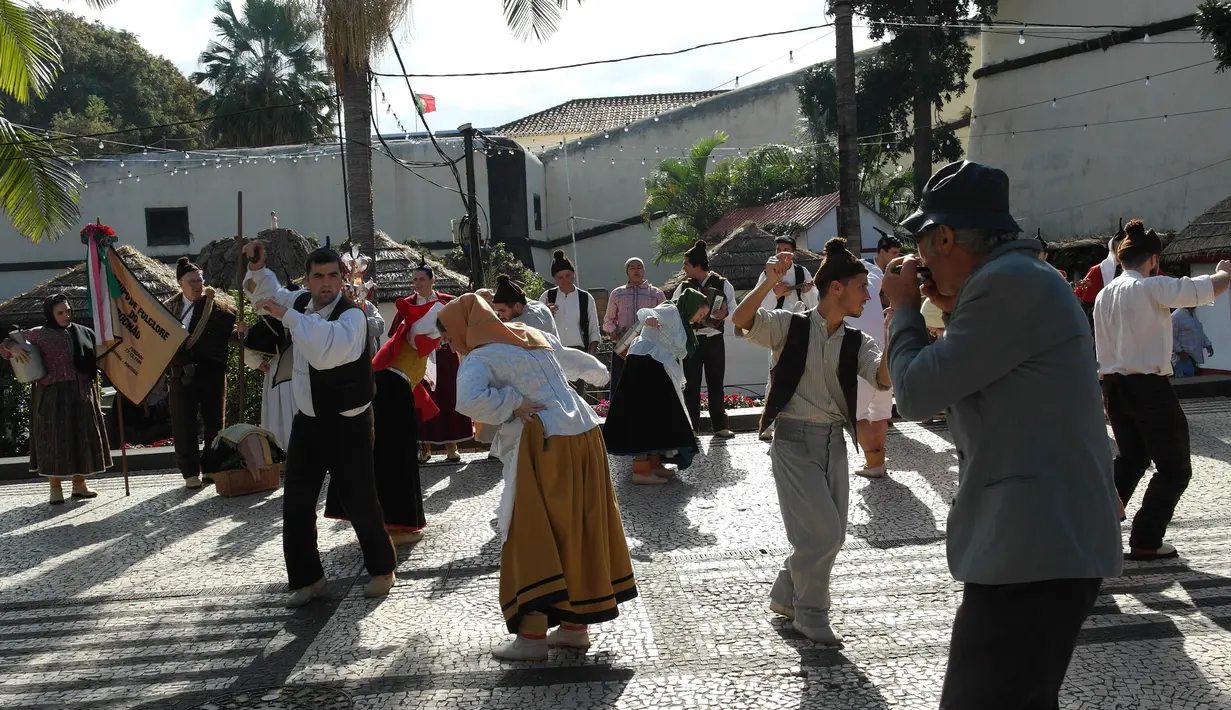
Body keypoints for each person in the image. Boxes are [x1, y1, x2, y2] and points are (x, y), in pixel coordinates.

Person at [880, 160, 1122, 709]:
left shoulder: (1005, 284)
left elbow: (916, 394)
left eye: (922, 247)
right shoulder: (1021, 278)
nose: (918, 263)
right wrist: (949, 305)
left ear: (944, 237)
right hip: (1041, 544)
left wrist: (901, 310)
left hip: (1032, 548)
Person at [442, 294, 637, 661]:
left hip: (546, 444)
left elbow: (466, 401)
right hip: (585, 435)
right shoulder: (529, 334)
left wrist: (512, 404)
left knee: (531, 531)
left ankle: (531, 637)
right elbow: (574, 362)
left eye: (449, 336)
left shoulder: (480, 356)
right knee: (578, 528)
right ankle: (574, 627)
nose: (449, 344)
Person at [731, 237, 891, 645]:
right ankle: (811, 615)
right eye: (861, 286)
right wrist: (767, 283)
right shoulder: (791, 325)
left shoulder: (858, 341)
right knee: (821, 535)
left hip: (834, 444)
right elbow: (741, 320)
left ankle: (786, 593)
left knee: (830, 533)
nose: (868, 295)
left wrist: (896, 333)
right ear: (836, 287)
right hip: (792, 441)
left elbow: (882, 379)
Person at [242, 241, 397, 608]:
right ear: (308, 280)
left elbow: (324, 352)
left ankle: (382, 569)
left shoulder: (353, 316)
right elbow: (269, 294)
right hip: (308, 422)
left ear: (342, 280)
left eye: (332, 276)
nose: (326, 284)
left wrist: (289, 316)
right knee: (296, 502)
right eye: (318, 276)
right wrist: (257, 268)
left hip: (349, 423)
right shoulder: (299, 303)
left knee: (360, 500)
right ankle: (308, 578)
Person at [1094, 219, 1231, 561]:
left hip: (1113, 387)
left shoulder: (1103, 294)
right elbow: (1205, 287)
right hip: (1148, 387)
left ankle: (1093, 530)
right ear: (1153, 259)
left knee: (1131, 459)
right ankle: (1146, 538)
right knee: (1174, 468)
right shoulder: (1150, 287)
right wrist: (1225, 273)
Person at [324, 291, 436, 546]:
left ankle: (389, 520)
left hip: (389, 389)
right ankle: (396, 523)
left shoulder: (417, 326)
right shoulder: (427, 323)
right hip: (391, 394)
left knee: (385, 456)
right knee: (394, 457)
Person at [1, 295, 111, 504]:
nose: (65, 315)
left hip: (81, 392)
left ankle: (79, 485)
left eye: (68, 311)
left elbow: (99, 355)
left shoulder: (83, 332)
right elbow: (6, 343)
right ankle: (55, 488)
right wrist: (12, 347)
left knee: (81, 438)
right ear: (50, 314)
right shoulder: (39, 335)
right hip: (52, 395)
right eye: (60, 312)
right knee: (54, 440)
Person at [603, 288, 709, 485]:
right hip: (644, 365)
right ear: (692, 306)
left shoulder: (681, 321)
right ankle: (641, 470)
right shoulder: (671, 310)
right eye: (700, 313)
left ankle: (654, 463)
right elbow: (646, 312)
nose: (700, 319)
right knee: (644, 417)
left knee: (657, 417)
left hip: (656, 368)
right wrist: (650, 318)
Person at [164, 257, 237, 489]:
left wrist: (240, 332)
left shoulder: (218, 308)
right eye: (192, 281)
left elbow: (227, 333)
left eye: (201, 280)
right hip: (181, 373)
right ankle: (190, 472)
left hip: (211, 371)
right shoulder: (168, 309)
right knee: (183, 423)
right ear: (180, 283)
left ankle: (211, 467)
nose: (198, 285)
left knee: (215, 421)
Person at [845, 232, 900, 478]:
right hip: (866, 351)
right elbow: (876, 283)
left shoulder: (875, 276)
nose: (895, 258)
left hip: (874, 352)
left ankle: (875, 462)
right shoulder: (869, 272)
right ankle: (876, 462)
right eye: (893, 254)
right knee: (872, 413)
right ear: (881, 251)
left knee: (867, 414)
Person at [674, 240, 737, 438]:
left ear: (697, 266)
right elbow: (675, 310)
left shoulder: (722, 283)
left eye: (686, 264)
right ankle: (691, 427)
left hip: (714, 339)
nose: (683, 268)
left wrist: (724, 314)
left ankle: (720, 425)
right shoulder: (684, 286)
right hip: (692, 341)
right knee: (691, 384)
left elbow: (735, 310)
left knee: (715, 382)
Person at [411, 264, 472, 463]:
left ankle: (451, 446)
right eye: (415, 280)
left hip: (445, 357)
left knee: (448, 398)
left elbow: (461, 327)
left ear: (432, 281)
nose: (418, 283)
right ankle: (424, 446)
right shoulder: (408, 304)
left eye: (421, 279)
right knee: (424, 401)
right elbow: (399, 333)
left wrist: (445, 340)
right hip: (420, 360)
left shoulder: (447, 302)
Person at [604, 257, 666, 395]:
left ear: (644, 270)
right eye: (632, 267)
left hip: (649, 348)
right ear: (627, 272)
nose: (636, 270)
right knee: (620, 387)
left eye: (639, 267)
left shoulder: (656, 294)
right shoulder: (617, 293)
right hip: (623, 348)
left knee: (648, 387)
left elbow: (665, 318)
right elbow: (608, 319)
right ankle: (619, 416)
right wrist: (614, 332)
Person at [540, 250, 600, 355]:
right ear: (555, 279)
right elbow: (536, 327)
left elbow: (593, 330)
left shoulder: (585, 298)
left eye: (568, 275)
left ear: (574, 274)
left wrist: (591, 356)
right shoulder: (547, 297)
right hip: (553, 351)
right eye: (560, 277)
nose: (565, 280)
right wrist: (546, 313)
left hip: (579, 352)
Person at [754, 234, 818, 313]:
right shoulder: (766, 274)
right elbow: (758, 307)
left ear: (793, 253)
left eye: (786, 250)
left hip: (798, 321)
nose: (781, 254)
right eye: (779, 250)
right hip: (775, 322)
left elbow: (814, 306)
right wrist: (774, 293)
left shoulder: (802, 272)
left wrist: (807, 293)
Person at [490, 274, 558, 337]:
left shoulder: (525, 321)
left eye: (503, 311)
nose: (501, 316)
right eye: (499, 312)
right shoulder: (538, 305)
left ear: (517, 306)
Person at [1172, 306, 1214, 378]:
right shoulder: (1176, 316)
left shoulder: (1192, 315)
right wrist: (1180, 351)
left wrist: (1207, 344)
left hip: (1194, 357)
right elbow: (1171, 337)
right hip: (1182, 358)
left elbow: (1199, 331)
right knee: (1184, 384)